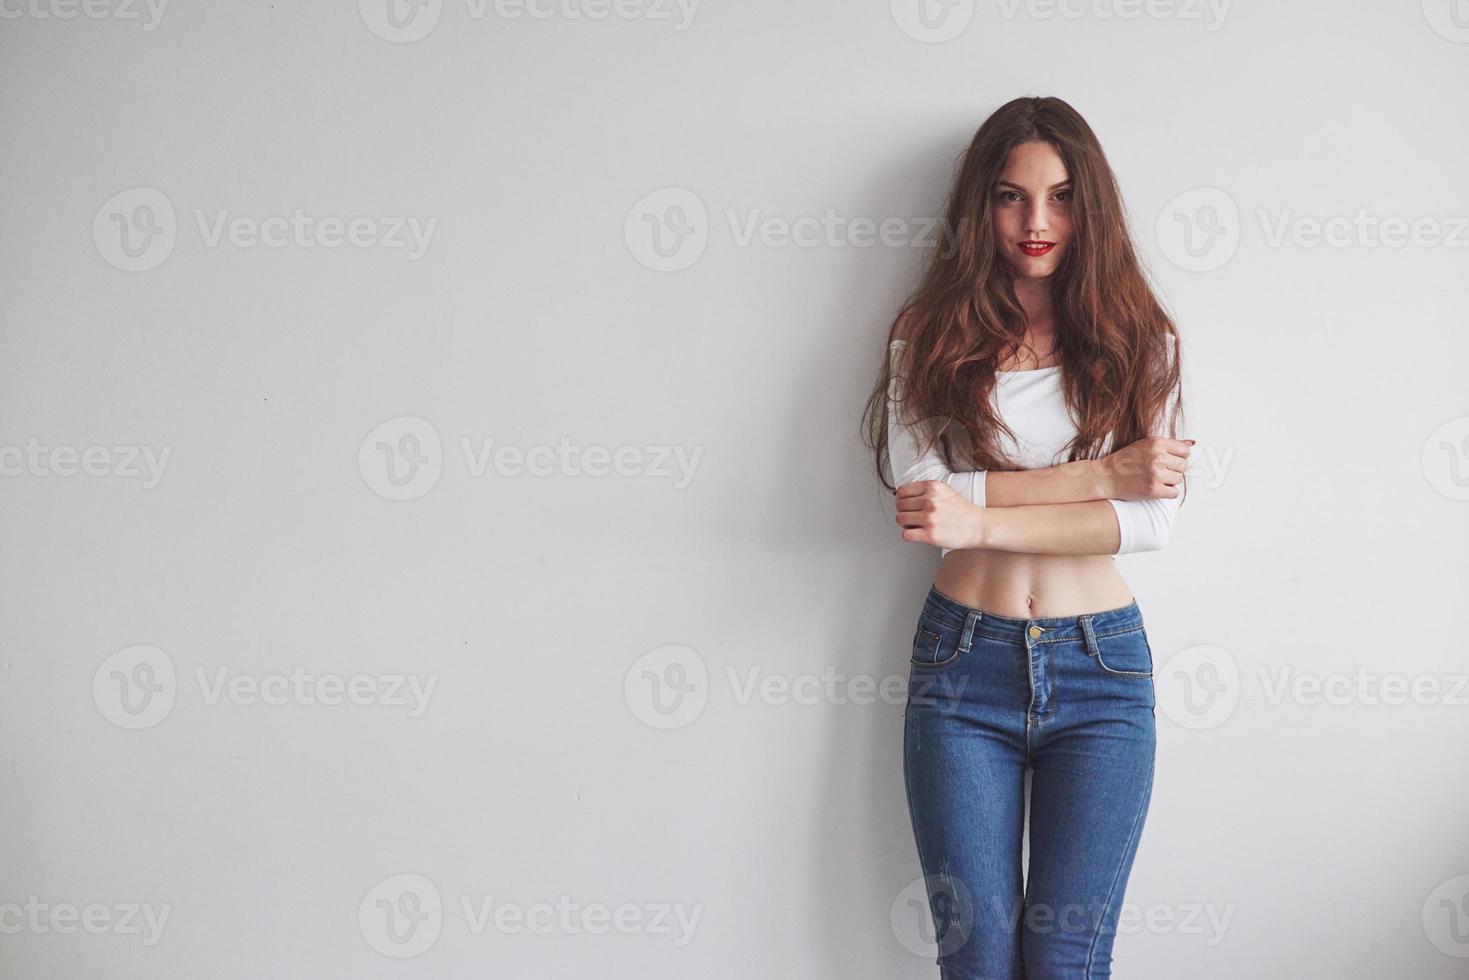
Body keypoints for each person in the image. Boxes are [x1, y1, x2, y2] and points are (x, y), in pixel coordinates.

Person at [861, 95, 1193, 979]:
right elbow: (923, 502)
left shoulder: (1138, 341)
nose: (1035, 222)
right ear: (980, 207)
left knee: (1064, 961)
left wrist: (983, 516)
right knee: (975, 962)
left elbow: (1149, 523)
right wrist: (1097, 475)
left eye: (1059, 197)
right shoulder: (925, 336)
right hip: (961, 669)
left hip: (1102, 675)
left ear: (1093, 208)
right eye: (1010, 197)